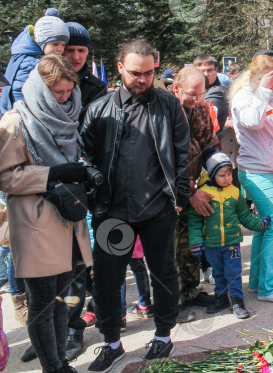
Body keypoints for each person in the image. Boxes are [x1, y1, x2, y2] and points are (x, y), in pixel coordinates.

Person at [80, 40, 191, 370]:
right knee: (107, 280)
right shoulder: (99, 109)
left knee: (163, 274)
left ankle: (163, 335)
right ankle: (112, 342)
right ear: (119, 68)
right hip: (113, 212)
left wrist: (179, 199)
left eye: (148, 73)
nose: (142, 79)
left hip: (158, 209)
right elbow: (83, 157)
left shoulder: (169, 106)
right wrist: (94, 198)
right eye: (135, 73)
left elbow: (184, 154)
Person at [0, 56, 93, 373]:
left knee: (61, 296)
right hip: (35, 222)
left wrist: (83, 173)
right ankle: (54, 367)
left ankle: (60, 360)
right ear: (40, 89)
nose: (65, 98)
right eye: (58, 92)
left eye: (69, 91)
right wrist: (52, 175)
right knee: (42, 302)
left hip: (68, 218)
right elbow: (6, 177)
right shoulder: (15, 122)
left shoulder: (68, 115)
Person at [229, 53, 273, 303]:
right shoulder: (246, 96)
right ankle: (269, 288)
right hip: (258, 171)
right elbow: (252, 122)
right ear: (256, 76)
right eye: (271, 76)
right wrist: (264, 92)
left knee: (264, 227)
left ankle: (259, 281)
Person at [61, 22, 108, 360]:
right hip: (52, 182)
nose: (76, 56)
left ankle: (73, 330)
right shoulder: (47, 84)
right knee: (56, 266)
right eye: (70, 50)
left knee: (80, 262)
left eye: (82, 51)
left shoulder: (95, 88)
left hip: (85, 185)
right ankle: (51, 329)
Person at [189, 150, 269, 319]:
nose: (227, 178)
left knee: (233, 272)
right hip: (211, 243)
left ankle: (237, 301)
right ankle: (221, 297)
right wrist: (195, 242)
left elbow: (245, 215)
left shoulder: (234, 192)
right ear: (211, 175)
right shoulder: (203, 194)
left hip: (232, 242)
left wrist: (259, 224)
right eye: (222, 175)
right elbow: (195, 221)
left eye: (229, 173)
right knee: (217, 272)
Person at [171, 67, 222, 321]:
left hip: (193, 184)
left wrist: (219, 171)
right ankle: (172, 300)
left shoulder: (200, 107)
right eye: (192, 94)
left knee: (191, 240)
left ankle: (191, 290)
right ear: (176, 88)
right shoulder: (167, 109)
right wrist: (189, 191)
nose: (197, 100)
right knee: (172, 247)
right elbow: (170, 159)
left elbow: (209, 143)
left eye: (201, 94)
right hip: (168, 190)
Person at [1, 8, 70, 114]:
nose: (60, 49)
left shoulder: (28, 58)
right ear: (41, 43)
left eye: (63, 45)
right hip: (21, 113)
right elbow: (19, 91)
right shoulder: (31, 63)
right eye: (55, 44)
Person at [194, 54, 229, 134]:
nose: (206, 74)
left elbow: (200, 122)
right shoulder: (202, 90)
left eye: (209, 70)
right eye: (201, 71)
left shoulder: (216, 92)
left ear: (216, 70)